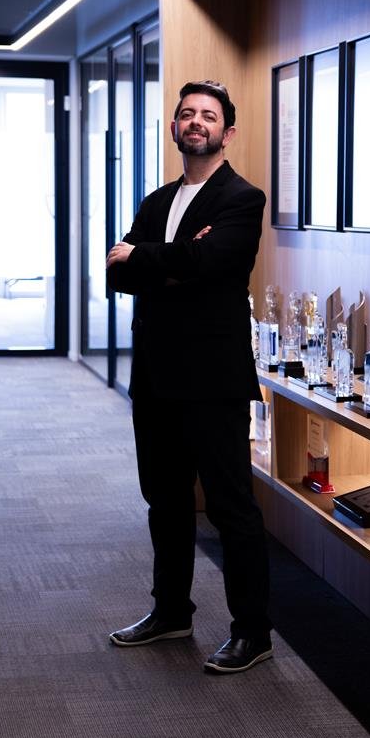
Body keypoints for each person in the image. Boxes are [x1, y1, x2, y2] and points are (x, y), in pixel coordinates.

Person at [105, 80, 272, 674]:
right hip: (155, 377)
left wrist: (149, 260)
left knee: (230, 507)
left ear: (227, 132)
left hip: (212, 379)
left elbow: (211, 264)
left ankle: (252, 632)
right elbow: (118, 274)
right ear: (175, 127)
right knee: (165, 501)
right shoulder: (157, 202)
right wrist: (169, 266)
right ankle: (171, 611)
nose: (196, 121)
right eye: (186, 114)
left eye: (208, 115)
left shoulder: (242, 199)